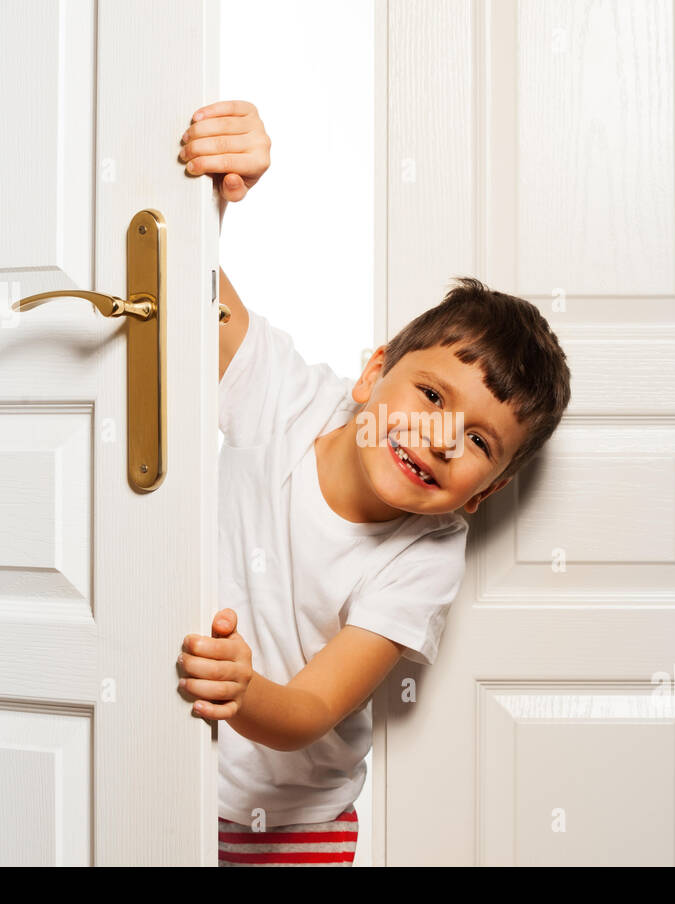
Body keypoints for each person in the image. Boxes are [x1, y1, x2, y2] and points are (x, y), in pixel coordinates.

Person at [174, 100, 572, 865]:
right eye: (430, 396)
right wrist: (222, 189)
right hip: (172, 779)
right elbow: (184, 288)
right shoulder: (284, 396)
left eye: (478, 441)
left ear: (481, 495)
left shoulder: (425, 555)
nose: (436, 437)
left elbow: (312, 709)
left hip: (296, 824)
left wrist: (240, 688)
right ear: (373, 373)